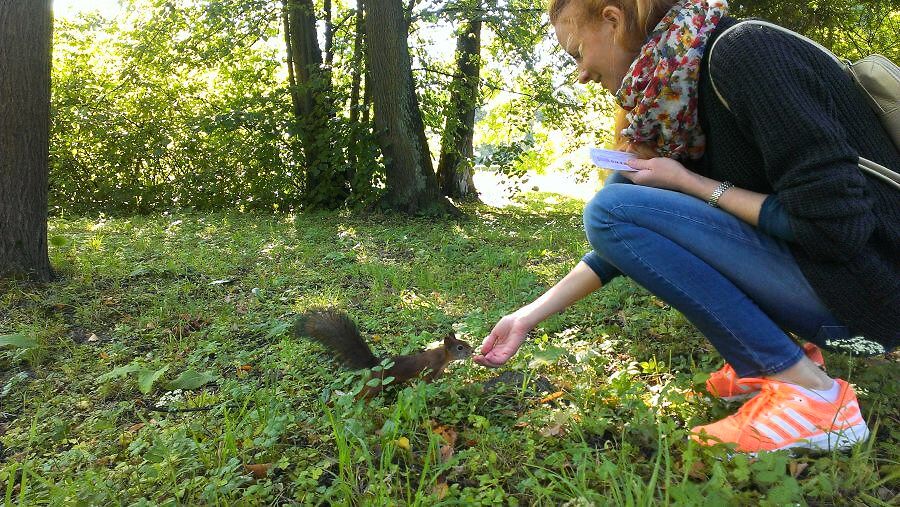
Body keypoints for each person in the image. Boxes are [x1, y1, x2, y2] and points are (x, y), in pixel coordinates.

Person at [474, 0, 900, 453]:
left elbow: (836, 227)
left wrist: (693, 184)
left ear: (613, 20)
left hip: (874, 294)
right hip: (829, 285)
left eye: (577, 52)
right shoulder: (674, 105)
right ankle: (777, 360)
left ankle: (813, 397)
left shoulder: (746, 54)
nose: (580, 73)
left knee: (611, 206)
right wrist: (526, 317)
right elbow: (629, 238)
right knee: (621, 196)